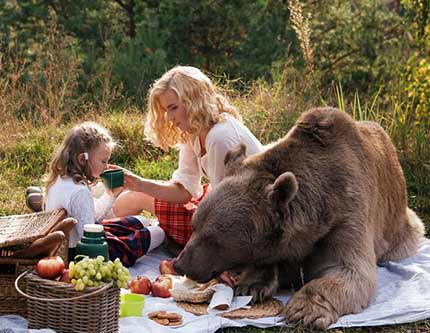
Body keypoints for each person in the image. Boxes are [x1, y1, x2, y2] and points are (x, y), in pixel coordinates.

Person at [111, 66, 263, 251]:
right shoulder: (195, 131)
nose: (169, 118)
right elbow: (184, 191)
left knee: (136, 200)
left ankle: (103, 233)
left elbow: (228, 209)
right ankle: (103, 230)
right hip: (222, 207)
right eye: (166, 110)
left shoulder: (220, 136)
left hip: (252, 225)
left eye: (173, 108)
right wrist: (139, 183)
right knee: (134, 196)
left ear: (194, 100)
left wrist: (219, 261)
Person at [43, 121, 165, 266]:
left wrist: (111, 194)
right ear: (82, 159)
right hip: (83, 254)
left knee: (141, 221)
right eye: (103, 161)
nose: (106, 166)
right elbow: (89, 238)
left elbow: (90, 217)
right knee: (159, 233)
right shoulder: (79, 192)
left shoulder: (60, 179)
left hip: (76, 241)